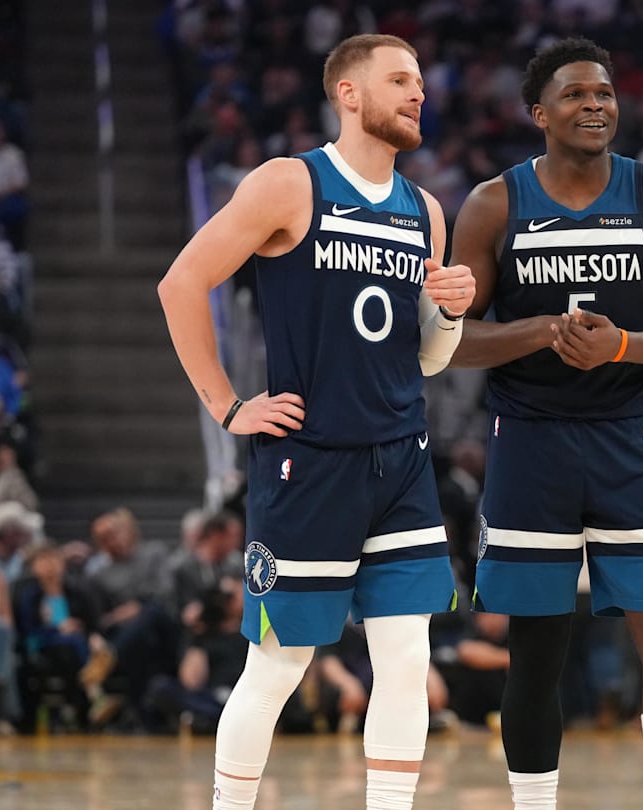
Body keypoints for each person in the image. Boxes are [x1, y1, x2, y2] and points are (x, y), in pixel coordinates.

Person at [156, 34, 476, 810]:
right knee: (280, 662)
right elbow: (181, 282)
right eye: (399, 80)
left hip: (400, 459)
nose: (417, 93)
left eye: (421, 83)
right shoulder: (290, 183)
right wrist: (229, 406)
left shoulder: (426, 211)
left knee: (405, 658)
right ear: (349, 93)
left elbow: (427, 359)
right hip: (309, 462)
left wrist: (453, 314)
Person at [450, 37, 643, 810]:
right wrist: (537, 332)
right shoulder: (493, 204)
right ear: (540, 113)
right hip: (529, 442)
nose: (595, 104)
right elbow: (447, 342)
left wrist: (625, 346)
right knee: (536, 650)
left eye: (604, 93)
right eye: (575, 94)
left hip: (629, 441)